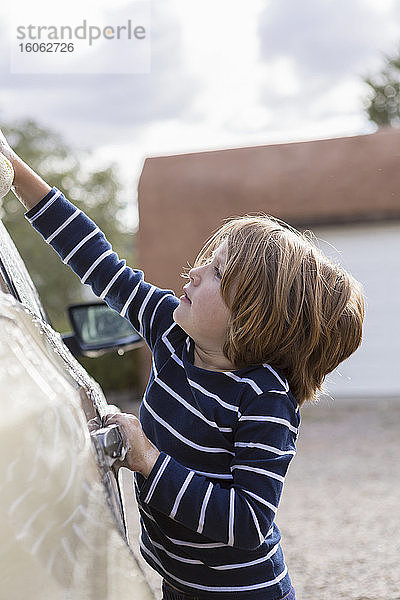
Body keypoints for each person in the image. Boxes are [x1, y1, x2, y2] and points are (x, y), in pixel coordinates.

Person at [0, 129, 365, 600]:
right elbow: (99, 261)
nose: (193, 271)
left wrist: (149, 460)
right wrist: (14, 169)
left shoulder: (264, 399)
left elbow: (249, 520)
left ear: (254, 314)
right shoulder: (171, 330)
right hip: (178, 580)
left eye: (216, 271)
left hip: (243, 593)